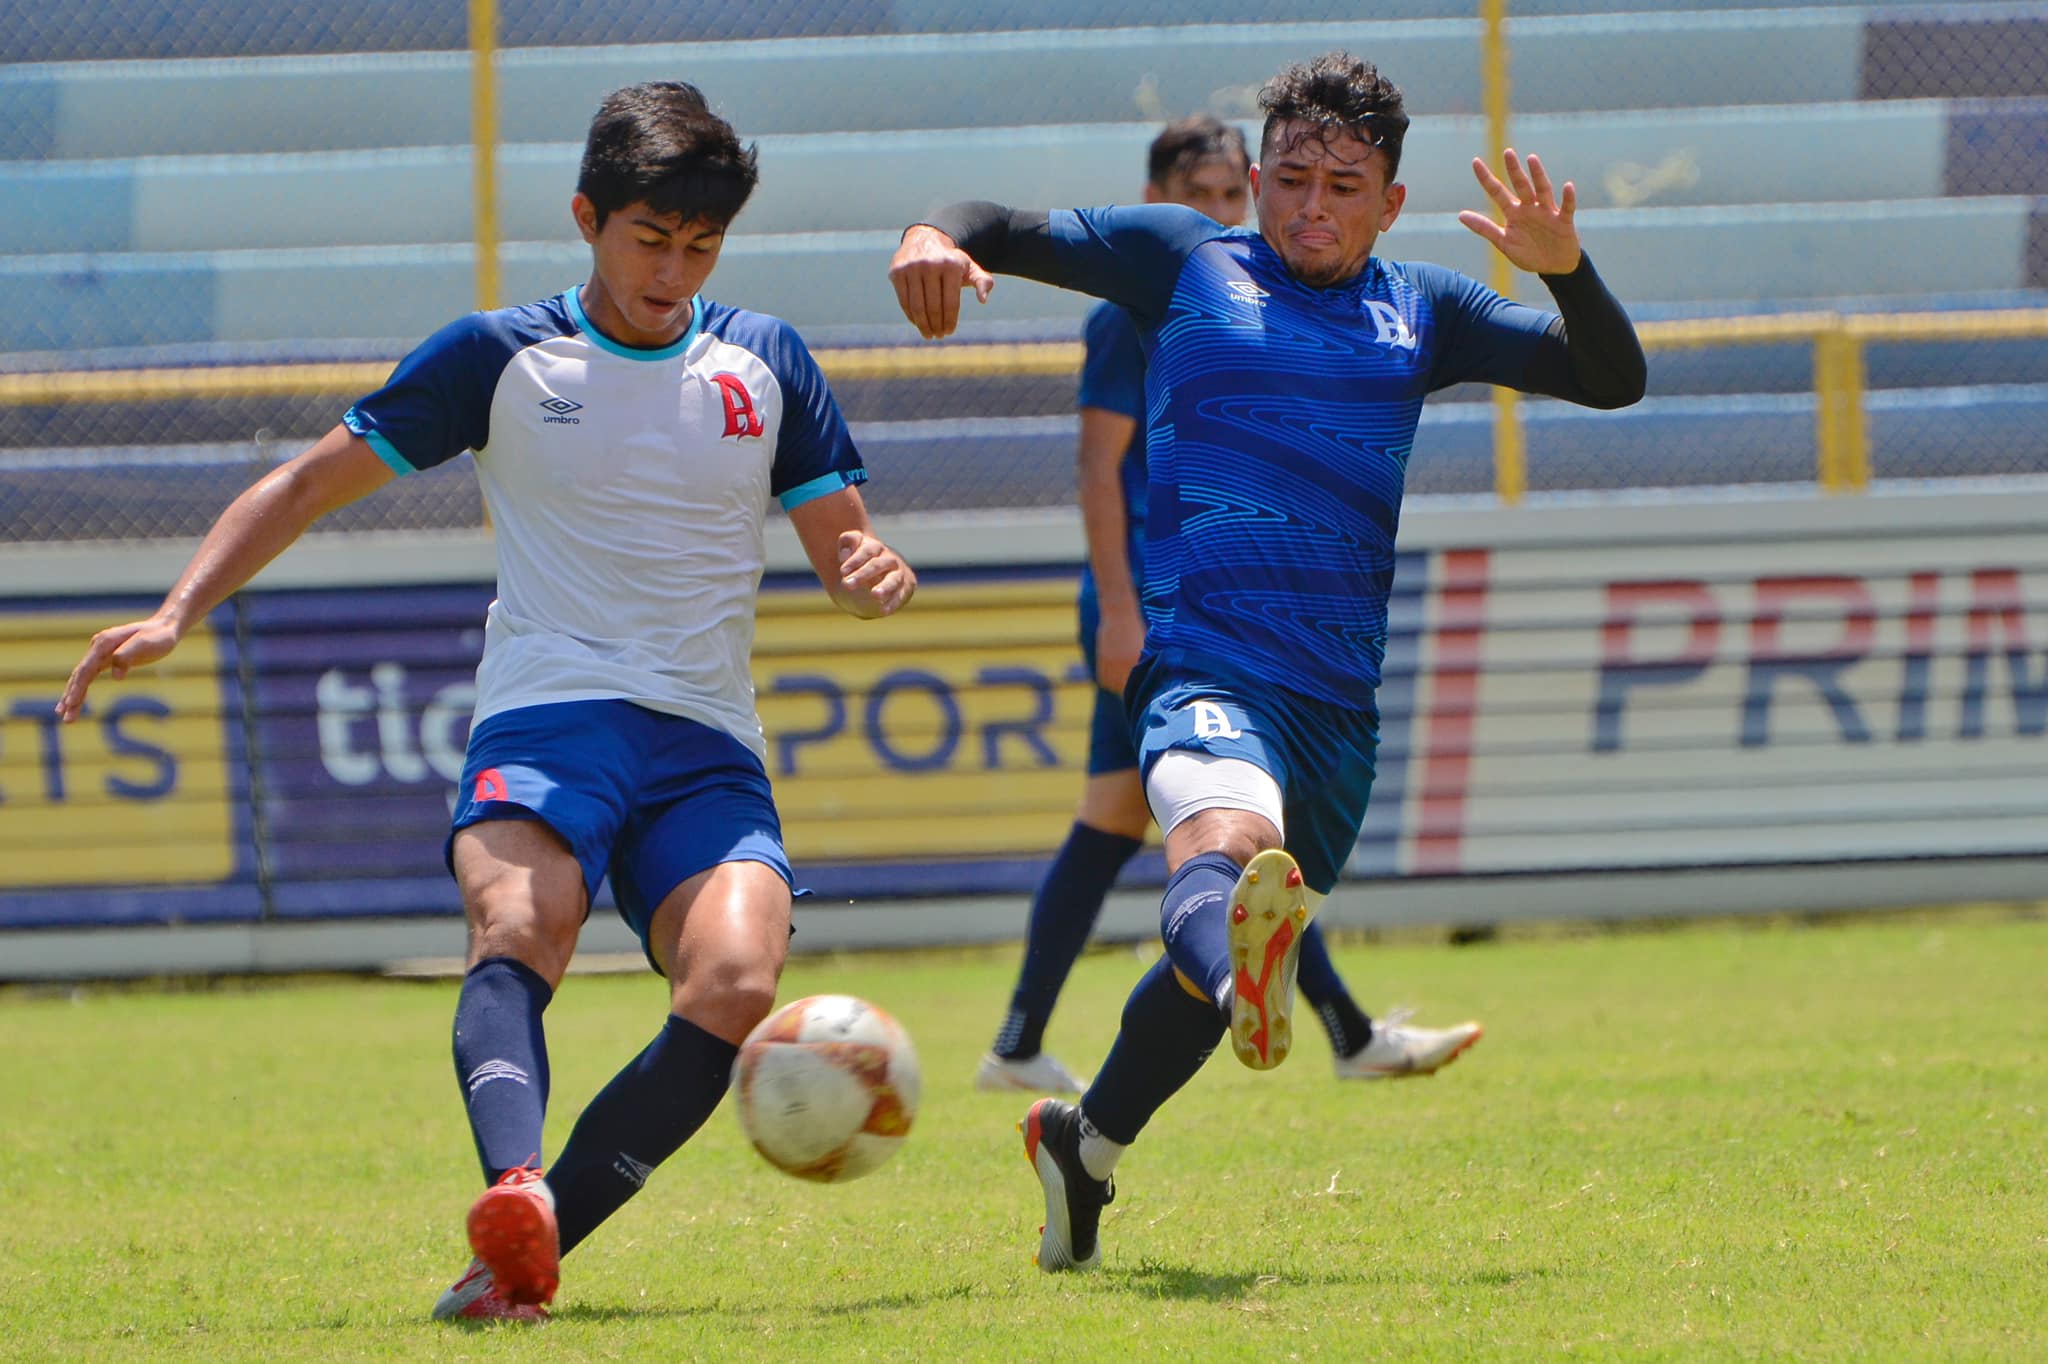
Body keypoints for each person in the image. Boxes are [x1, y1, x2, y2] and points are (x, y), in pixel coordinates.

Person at [58, 81, 916, 1321]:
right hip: (550, 711)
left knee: (735, 983)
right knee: (521, 918)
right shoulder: (497, 356)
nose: (673, 270)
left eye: (701, 245)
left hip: (706, 739)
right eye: (650, 238)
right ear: (585, 217)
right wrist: (176, 611)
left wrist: (869, 578)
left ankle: (524, 1247)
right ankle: (514, 1185)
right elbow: (304, 484)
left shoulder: (767, 359)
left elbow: (845, 554)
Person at [889, 52, 1645, 1272]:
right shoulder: (1184, 260)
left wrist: (1566, 268)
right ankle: (1244, 977)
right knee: (1228, 842)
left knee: (1225, 942)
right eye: (1289, 178)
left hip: (1335, 707)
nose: (1309, 207)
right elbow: (1002, 225)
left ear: (1389, 202)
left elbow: (1613, 379)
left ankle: (1083, 1143)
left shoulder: (1426, 309)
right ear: (1256, 177)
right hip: (1203, 661)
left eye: (1342, 187)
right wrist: (933, 235)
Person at [975, 114, 1481, 1097]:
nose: (1219, 212)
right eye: (1198, 196)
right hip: (1161, 605)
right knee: (1211, 829)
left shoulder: (1253, 293)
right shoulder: (1140, 301)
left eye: (1226, 194)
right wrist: (1118, 610)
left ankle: (1025, 1040)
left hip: (1210, 607)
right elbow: (1097, 465)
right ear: (1155, 201)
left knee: (1183, 825)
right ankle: (1329, 1026)